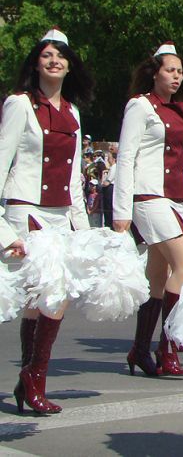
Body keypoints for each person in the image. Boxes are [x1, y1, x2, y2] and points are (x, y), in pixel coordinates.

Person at [0, 27, 93, 413]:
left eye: (61, 56)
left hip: (60, 216)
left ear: (70, 66)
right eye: (47, 55)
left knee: (43, 300)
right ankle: (33, 378)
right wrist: (4, 230)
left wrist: (84, 231)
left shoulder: (72, 112)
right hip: (25, 211)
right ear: (36, 63)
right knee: (49, 296)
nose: (54, 61)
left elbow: (73, 180)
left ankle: (30, 379)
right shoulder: (19, 104)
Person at [113, 41, 183, 377]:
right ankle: (168, 348)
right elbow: (126, 157)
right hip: (148, 197)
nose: (176, 76)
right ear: (154, 73)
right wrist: (121, 211)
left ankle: (139, 349)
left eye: (180, 71)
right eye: (170, 70)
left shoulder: (182, 110)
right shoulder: (140, 106)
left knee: (157, 278)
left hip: (175, 199)